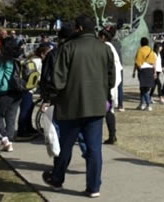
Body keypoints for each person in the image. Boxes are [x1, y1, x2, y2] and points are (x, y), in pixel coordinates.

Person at [42, 16, 115, 198]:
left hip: (70, 105)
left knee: (65, 146)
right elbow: (111, 78)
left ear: (79, 28)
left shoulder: (68, 48)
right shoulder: (104, 49)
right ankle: (94, 186)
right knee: (94, 149)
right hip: (96, 105)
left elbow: (58, 79)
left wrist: (51, 97)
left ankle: (57, 178)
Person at [0, 36, 24, 153]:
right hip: (19, 91)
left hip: (6, 91)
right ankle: (9, 142)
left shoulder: (3, 60)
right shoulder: (20, 58)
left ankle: (5, 139)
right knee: (11, 117)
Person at [16, 44, 50, 140]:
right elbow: (40, 76)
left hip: (25, 87)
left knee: (29, 108)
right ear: (43, 54)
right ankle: (21, 132)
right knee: (25, 110)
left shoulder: (31, 59)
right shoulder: (39, 61)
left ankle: (29, 128)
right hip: (28, 89)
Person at [99, 28, 123, 145]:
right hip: (111, 85)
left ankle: (110, 135)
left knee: (105, 111)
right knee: (109, 111)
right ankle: (112, 135)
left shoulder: (106, 48)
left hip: (107, 86)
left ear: (103, 37)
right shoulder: (112, 47)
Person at [133, 37, 156, 111]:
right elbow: (154, 62)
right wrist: (154, 72)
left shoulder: (140, 50)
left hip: (143, 70)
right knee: (144, 88)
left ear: (141, 43)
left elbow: (137, 62)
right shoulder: (151, 50)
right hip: (150, 70)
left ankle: (148, 104)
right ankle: (141, 104)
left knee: (144, 88)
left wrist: (134, 71)